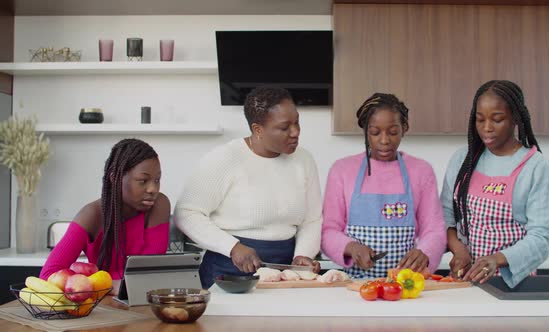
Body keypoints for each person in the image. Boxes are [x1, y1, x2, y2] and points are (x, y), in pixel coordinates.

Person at [175, 87, 323, 288]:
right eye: (284, 127)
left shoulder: (304, 160)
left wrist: (302, 255)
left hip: (285, 271)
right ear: (258, 129)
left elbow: (312, 218)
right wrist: (233, 247)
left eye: (297, 122)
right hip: (228, 271)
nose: (295, 132)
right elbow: (186, 213)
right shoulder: (224, 159)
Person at [441, 80, 549, 288]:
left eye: (497, 119)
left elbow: (543, 236)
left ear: (515, 119)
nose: (486, 128)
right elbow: (445, 216)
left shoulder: (535, 166)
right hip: (464, 279)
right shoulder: (463, 160)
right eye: (480, 119)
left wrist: (496, 259)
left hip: (513, 284)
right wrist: (459, 251)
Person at [321, 93, 446, 279]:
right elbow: (328, 230)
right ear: (365, 130)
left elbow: (434, 229)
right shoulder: (342, 170)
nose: (384, 140)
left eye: (393, 132)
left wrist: (425, 252)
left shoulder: (421, 171)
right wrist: (351, 247)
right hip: (355, 287)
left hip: (406, 285)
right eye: (375, 132)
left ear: (405, 128)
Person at [40, 138, 170, 292]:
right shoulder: (91, 215)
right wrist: (103, 285)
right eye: (143, 181)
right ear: (115, 178)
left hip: (143, 301)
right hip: (101, 305)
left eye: (157, 180)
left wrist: (111, 284)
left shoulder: (158, 205)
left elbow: (149, 273)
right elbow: (48, 275)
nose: (152, 189)